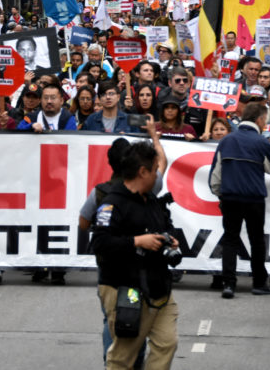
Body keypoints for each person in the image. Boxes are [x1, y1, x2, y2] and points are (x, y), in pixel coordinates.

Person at [91, 141, 180, 369]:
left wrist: (168, 239)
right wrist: (136, 241)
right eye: (154, 170)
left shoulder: (151, 200)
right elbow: (99, 242)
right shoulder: (112, 203)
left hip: (159, 287)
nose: (157, 176)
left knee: (167, 343)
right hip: (126, 289)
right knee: (125, 354)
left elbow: (164, 225)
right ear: (143, 172)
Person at [209, 102, 270, 298]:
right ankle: (259, 283)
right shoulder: (262, 142)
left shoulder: (227, 141)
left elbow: (215, 175)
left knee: (230, 239)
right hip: (254, 198)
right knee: (257, 240)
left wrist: (220, 194)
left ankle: (228, 284)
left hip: (230, 196)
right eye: (265, 120)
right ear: (259, 119)